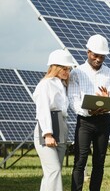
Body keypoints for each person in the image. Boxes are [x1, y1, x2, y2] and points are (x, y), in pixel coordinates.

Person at [68, 34, 110, 191]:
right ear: (88, 52)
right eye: (95, 55)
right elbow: (73, 100)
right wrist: (89, 110)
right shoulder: (76, 73)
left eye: (102, 56)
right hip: (84, 122)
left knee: (99, 161)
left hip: (104, 121)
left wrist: (108, 102)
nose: (99, 59)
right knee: (80, 160)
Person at [33, 49, 75, 191]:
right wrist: (48, 134)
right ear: (55, 67)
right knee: (54, 170)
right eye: (64, 68)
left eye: (69, 69)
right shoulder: (45, 84)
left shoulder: (63, 85)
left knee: (52, 173)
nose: (67, 72)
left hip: (61, 125)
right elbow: (43, 109)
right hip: (47, 127)